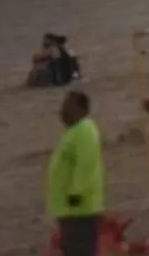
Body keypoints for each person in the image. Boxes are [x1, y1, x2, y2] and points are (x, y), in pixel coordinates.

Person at [47, 91, 105, 256]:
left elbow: (87, 164)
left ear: (80, 109)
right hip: (70, 210)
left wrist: (76, 193)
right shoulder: (74, 132)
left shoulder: (85, 130)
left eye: (66, 107)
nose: (62, 111)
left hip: (80, 210)